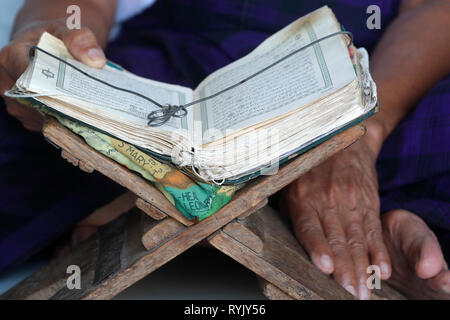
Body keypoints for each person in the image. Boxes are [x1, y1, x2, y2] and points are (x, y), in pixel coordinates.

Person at [0, 0, 449, 299]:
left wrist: (360, 132)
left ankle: (136, 202)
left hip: (371, 69)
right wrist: (46, 37)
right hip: (184, 62)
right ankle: (337, 215)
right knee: (30, 117)